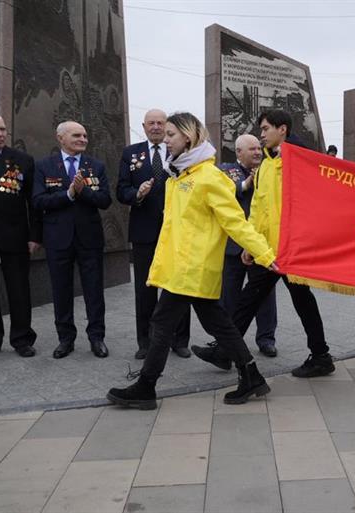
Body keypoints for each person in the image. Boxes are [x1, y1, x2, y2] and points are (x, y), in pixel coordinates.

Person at [107, 112, 277, 410]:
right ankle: (251, 375)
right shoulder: (180, 176)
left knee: (162, 321)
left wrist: (264, 253)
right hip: (182, 266)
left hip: (192, 267)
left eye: (171, 134)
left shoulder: (209, 177)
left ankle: (146, 386)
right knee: (218, 323)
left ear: (187, 137)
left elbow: (235, 222)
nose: (166, 139)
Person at [192, 109, 335, 378]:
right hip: (269, 250)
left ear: (283, 130)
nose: (262, 135)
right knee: (252, 300)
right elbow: (258, 208)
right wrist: (251, 244)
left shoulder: (299, 159)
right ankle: (227, 351)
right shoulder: (267, 164)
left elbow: (313, 198)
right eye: (261, 130)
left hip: (290, 250)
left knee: (298, 301)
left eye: (266, 128)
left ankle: (320, 356)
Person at [116, 109, 192, 359]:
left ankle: (180, 340)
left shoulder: (180, 150)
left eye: (161, 123)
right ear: (144, 126)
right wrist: (137, 194)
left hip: (177, 230)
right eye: (152, 123)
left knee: (179, 286)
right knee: (145, 289)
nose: (157, 127)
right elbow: (121, 190)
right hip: (144, 231)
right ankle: (145, 342)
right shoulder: (131, 153)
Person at [33, 121, 112, 358]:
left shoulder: (95, 165)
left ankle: (97, 338)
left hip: (89, 238)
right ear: (61, 138)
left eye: (85, 135)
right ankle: (65, 339)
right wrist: (68, 194)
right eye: (77, 135)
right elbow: (38, 201)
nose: (83, 139)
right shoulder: (44, 166)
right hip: (58, 239)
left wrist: (83, 191)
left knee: (94, 291)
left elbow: (105, 200)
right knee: (61, 290)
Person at [0, 112, 40, 359]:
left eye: (2, 129)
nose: (0, 134)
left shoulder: (22, 160)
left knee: (19, 289)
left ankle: (22, 338)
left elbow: (33, 203)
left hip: (15, 236)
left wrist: (35, 236)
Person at [219, 134, 278, 357]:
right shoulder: (225, 170)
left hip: (260, 245)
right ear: (238, 152)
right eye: (252, 149)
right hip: (233, 246)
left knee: (265, 295)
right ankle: (228, 343)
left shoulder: (268, 170)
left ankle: (266, 338)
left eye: (258, 148)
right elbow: (222, 193)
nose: (257, 152)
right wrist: (246, 184)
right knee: (229, 297)